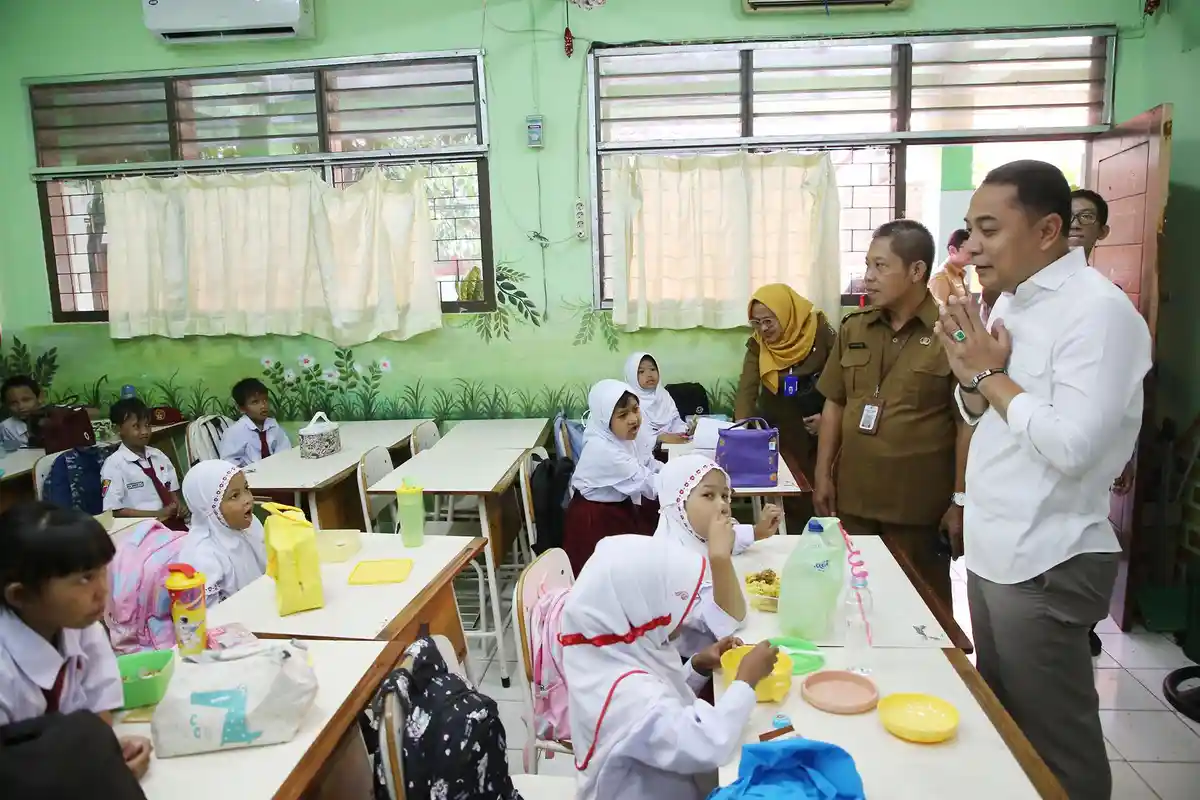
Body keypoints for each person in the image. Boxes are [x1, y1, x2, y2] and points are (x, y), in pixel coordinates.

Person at [938, 160, 1151, 800]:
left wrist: (989, 379)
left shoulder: (1098, 313)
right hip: (997, 549)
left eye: (989, 229)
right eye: (969, 230)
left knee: (1057, 743)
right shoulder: (1013, 302)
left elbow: (1074, 445)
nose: (971, 246)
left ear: (1050, 230)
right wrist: (971, 379)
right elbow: (988, 415)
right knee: (1006, 726)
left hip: (1048, 556)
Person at [813, 220, 970, 610]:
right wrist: (821, 476)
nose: (868, 277)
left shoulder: (951, 332)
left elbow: (966, 423)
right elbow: (834, 404)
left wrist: (960, 501)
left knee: (922, 612)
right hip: (855, 500)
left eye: (881, 267)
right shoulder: (855, 328)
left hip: (917, 509)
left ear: (917, 271)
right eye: (867, 265)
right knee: (856, 605)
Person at [558, 534, 780, 800]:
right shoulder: (627, 695)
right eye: (671, 604)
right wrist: (746, 681)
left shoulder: (615, 652)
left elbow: (663, 704)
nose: (684, 617)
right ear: (638, 609)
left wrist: (697, 666)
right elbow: (708, 743)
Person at [0, 502, 152, 778]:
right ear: (20, 596)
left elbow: (99, 715)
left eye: (102, 571)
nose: (102, 591)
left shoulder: (81, 625)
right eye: (84, 579)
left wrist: (109, 755)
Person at [653, 453, 781, 655]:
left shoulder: (694, 533)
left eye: (725, 496)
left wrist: (757, 532)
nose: (723, 505)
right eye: (708, 495)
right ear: (678, 505)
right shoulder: (673, 561)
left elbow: (728, 537)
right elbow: (730, 619)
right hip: (693, 665)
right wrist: (719, 559)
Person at [734, 284, 836, 521]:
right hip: (778, 428)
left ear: (785, 312)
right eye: (756, 323)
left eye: (769, 321)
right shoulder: (759, 343)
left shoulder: (820, 333)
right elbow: (747, 386)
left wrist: (828, 420)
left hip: (817, 430)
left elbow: (843, 380)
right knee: (784, 498)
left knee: (817, 492)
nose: (763, 329)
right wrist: (740, 428)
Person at [562, 380, 662, 574]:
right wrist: (691, 481)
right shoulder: (605, 451)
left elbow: (648, 463)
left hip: (616, 507)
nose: (633, 419)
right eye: (623, 415)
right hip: (596, 519)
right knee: (605, 578)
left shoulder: (619, 437)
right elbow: (651, 484)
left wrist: (677, 470)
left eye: (636, 409)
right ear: (605, 419)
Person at [177, 460, 267, 607]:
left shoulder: (249, 525)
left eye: (246, 488)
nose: (248, 499)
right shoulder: (202, 555)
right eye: (235, 496)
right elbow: (211, 618)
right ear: (209, 508)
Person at [101, 398, 185, 530]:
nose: (145, 432)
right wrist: (157, 515)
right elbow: (115, 511)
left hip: (172, 524)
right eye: (136, 426)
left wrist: (178, 506)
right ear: (117, 429)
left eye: (147, 425)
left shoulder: (159, 456)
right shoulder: (114, 465)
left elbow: (172, 493)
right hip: (141, 531)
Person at [218, 378, 292, 468]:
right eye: (255, 402)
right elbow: (228, 462)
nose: (263, 406)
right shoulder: (235, 432)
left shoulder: (273, 425)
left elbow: (284, 450)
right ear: (242, 408)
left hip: (274, 473)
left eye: (265, 400)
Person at [624, 352, 689, 444]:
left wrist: (686, 430)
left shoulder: (663, 395)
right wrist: (659, 438)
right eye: (641, 371)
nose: (649, 374)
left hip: (673, 446)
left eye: (653, 369)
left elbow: (675, 421)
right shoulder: (629, 402)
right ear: (632, 375)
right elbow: (635, 436)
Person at [928, 229, 972, 308]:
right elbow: (937, 317)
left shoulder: (959, 274)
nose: (972, 253)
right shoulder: (940, 278)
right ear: (952, 250)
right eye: (968, 249)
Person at [0, 376, 43, 451]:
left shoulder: (59, 417)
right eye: (13, 403)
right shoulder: (6, 427)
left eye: (26, 400)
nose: (21, 407)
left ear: (39, 397)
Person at [1068, 188, 1110, 263]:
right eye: (1067, 216)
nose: (1074, 225)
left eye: (1086, 216)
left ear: (1103, 232)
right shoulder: (1041, 273)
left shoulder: (1093, 275)